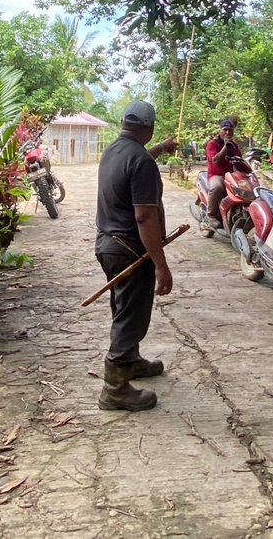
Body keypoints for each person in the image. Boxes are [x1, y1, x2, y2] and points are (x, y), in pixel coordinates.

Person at [94, 100, 179, 411]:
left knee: (124, 309)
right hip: (129, 251)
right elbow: (145, 217)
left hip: (108, 246)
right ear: (150, 127)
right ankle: (114, 389)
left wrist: (160, 148)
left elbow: (138, 160)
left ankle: (130, 362)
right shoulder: (141, 162)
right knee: (131, 317)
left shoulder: (114, 151)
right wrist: (161, 266)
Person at [204, 117, 251, 228]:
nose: (228, 132)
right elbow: (215, 160)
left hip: (231, 175)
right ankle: (210, 215)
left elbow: (239, 158)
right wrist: (226, 146)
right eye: (225, 129)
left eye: (230, 130)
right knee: (217, 187)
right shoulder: (212, 144)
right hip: (216, 175)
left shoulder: (234, 145)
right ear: (220, 131)